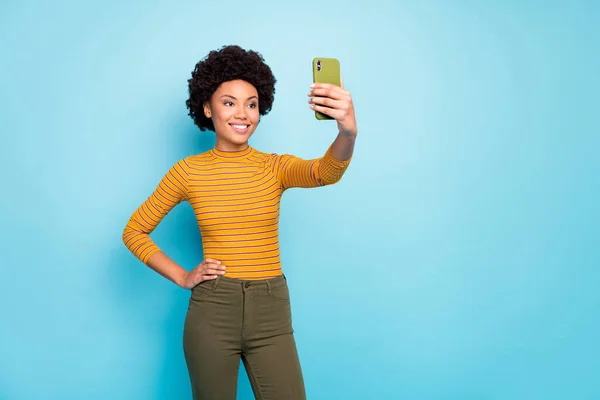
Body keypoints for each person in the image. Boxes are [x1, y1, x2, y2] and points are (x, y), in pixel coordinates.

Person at [122, 45, 357, 400]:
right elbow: (134, 231)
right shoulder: (188, 172)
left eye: (251, 103)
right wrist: (183, 276)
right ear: (207, 108)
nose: (243, 113)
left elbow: (325, 172)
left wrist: (347, 133)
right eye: (229, 102)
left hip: (271, 310)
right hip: (213, 311)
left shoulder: (274, 167)